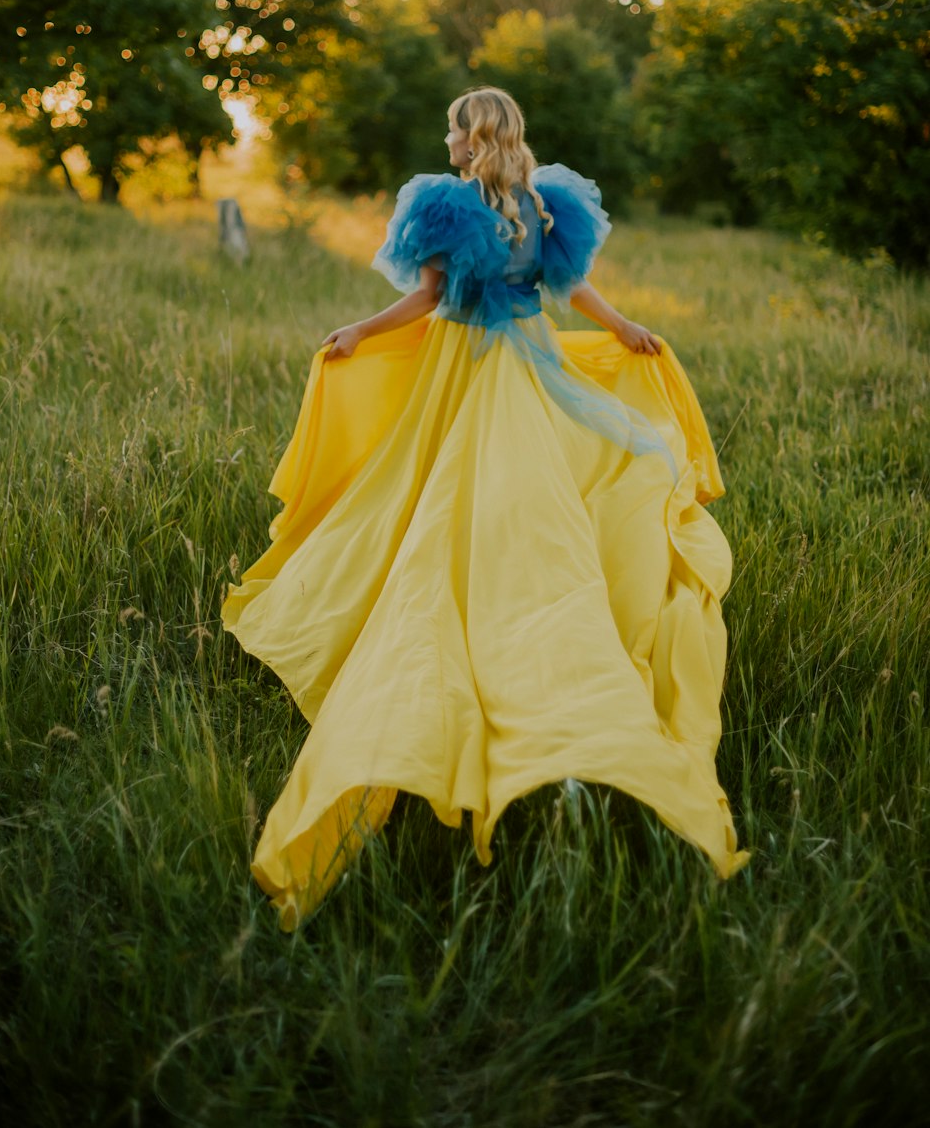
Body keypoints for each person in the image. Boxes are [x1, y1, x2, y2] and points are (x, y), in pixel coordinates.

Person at [222, 85, 749, 930]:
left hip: (468, 368)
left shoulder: (453, 203)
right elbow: (570, 291)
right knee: (508, 491)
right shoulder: (545, 205)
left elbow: (429, 301)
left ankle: (494, 614)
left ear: (475, 139)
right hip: (528, 363)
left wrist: (359, 328)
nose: (448, 138)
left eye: (456, 129)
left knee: (457, 491)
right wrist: (622, 326)